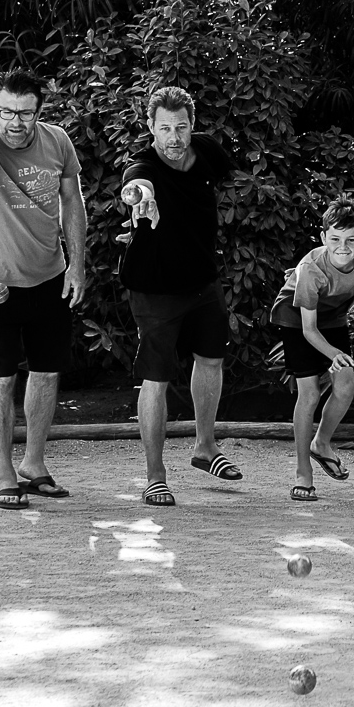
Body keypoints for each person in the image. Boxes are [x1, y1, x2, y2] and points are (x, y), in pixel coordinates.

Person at [0, 68, 86, 510]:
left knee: (46, 374)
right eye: (6, 111)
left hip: (49, 275)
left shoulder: (58, 141)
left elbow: (72, 203)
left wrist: (77, 266)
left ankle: (34, 465)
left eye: (25, 113)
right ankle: (4, 472)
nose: (15, 122)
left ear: (38, 112)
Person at [118, 86, 240, 507]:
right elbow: (134, 187)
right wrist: (141, 201)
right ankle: (155, 476)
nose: (174, 137)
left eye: (182, 127)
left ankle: (205, 448)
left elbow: (216, 177)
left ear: (193, 126)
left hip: (203, 281)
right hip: (154, 290)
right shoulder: (143, 165)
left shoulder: (207, 153)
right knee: (157, 379)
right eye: (165, 128)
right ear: (150, 128)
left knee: (211, 360)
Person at [270, 195, 354, 501]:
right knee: (310, 393)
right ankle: (304, 471)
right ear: (323, 238)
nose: (343, 246)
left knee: (345, 387)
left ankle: (321, 443)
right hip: (296, 318)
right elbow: (308, 329)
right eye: (335, 239)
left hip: (332, 317)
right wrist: (333, 354)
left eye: (351, 239)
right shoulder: (310, 270)